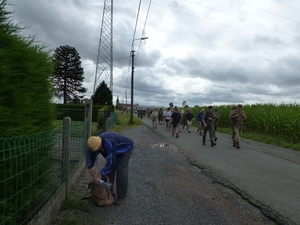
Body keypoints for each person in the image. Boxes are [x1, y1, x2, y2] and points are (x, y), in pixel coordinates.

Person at [86, 133, 134, 205]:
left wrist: (100, 174)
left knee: (121, 170)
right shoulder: (94, 142)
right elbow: (91, 154)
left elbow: (111, 162)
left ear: (100, 144)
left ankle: (121, 196)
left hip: (125, 148)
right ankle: (109, 192)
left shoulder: (108, 143)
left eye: (98, 148)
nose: (97, 150)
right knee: (109, 171)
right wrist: (91, 167)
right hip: (115, 150)